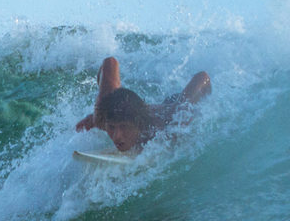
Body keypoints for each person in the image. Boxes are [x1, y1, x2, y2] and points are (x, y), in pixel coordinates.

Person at [75, 57, 211, 152]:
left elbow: (203, 76)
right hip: (135, 107)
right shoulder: (102, 117)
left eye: (124, 127)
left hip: (172, 104)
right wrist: (97, 115)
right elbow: (110, 62)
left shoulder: (166, 125)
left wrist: (182, 120)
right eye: (111, 127)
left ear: (138, 125)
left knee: (182, 108)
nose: (117, 136)